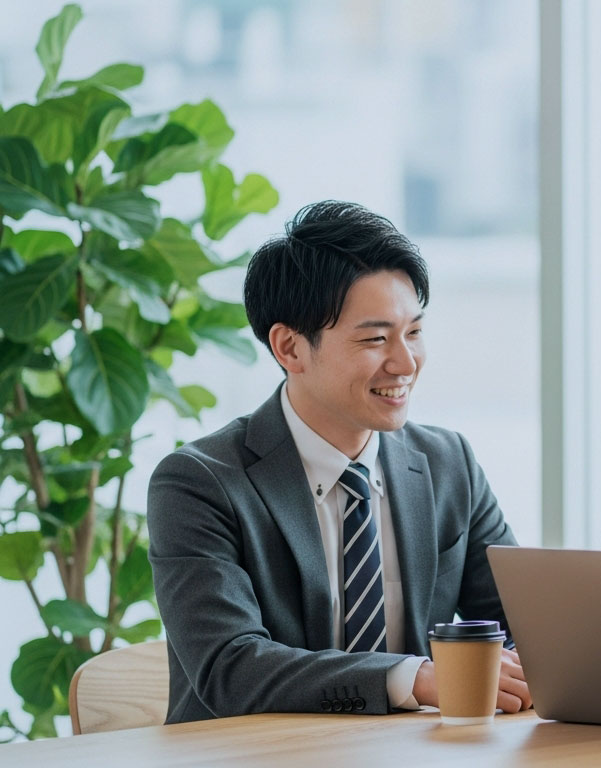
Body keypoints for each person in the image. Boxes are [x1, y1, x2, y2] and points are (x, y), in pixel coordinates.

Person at [147, 201, 531, 723]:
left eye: (413, 332)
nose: (406, 362)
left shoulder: (447, 463)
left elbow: (525, 629)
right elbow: (230, 668)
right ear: (290, 348)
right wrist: (409, 676)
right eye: (375, 338)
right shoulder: (200, 483)